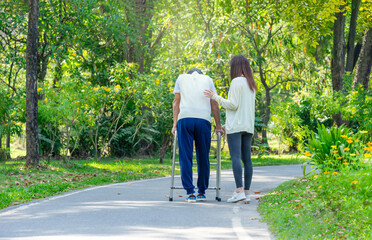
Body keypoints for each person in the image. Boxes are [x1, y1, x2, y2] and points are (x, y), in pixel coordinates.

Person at [204, 55, 257, 203]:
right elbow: (243, 109)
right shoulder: (251, 84)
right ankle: (246, 192)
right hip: (248, 126)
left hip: (236, 128)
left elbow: (233, 105)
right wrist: (227, 125)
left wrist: (215, 97)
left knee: (235, 157)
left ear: (235, 67)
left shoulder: (236, 82)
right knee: (247, 159)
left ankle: (238, 190)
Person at [172, 68, 224, 203]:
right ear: (201, 75)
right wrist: (218, 126)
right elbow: (214, 103)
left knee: (185, 157)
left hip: (185, 119)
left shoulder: (181, 78)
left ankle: (190, 192)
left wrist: (174, 124)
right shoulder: (208, 80)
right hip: (203, 120)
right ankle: (201, 191)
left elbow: (176, 102)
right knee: (203, 156)